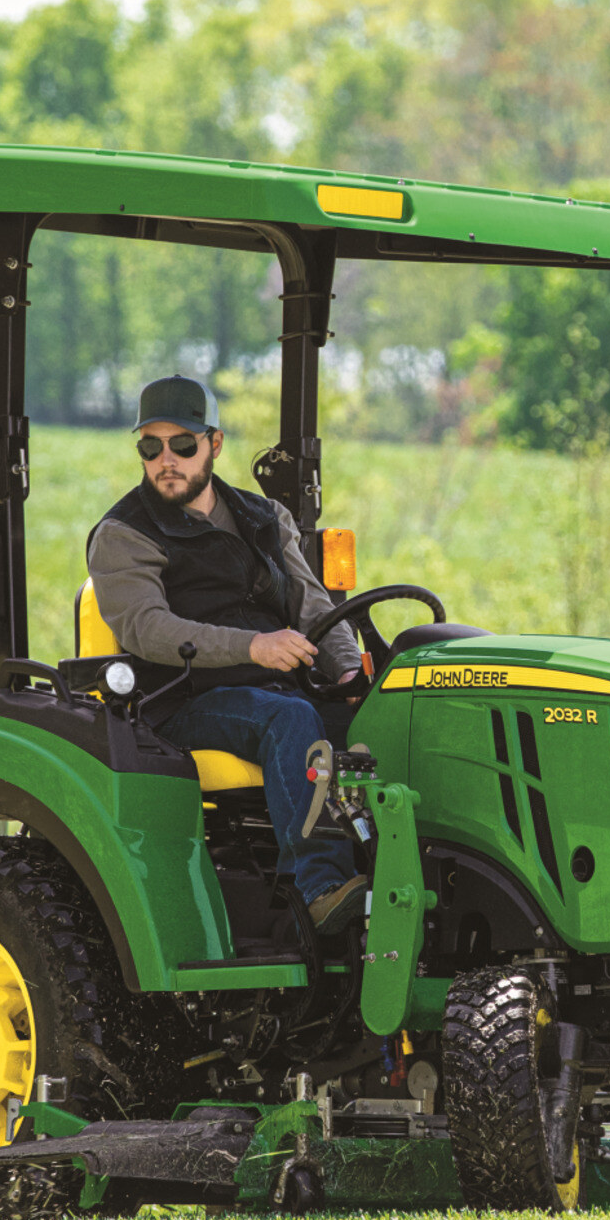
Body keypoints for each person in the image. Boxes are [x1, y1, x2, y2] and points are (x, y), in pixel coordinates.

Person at [85, 375, 370, 934]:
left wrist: (350, 672)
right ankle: (321, 890)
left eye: (182, 445)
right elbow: (148, 629)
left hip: (277, 685)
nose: (166, 460)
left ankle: (403, 873)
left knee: (387, 717)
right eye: (151, 447)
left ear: (214, 445)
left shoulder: (265, 518)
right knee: (290, 720)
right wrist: (253, 646)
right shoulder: (124, 533)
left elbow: (314, 606)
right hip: (182, 699)